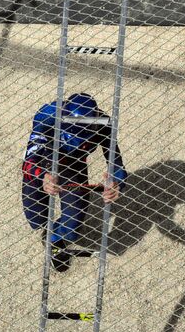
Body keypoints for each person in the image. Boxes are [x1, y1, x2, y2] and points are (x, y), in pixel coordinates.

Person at [22, 92, 127, 272]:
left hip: (74, 166)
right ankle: (47, 226)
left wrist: (116, 182)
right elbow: (29, 161)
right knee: (36, 219)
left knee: (71, 230)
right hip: (45, 161)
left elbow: (116, 164)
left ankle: (54, 236)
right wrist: (44, 177)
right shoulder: (47, 117)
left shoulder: (103, 124)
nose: (79, 141)